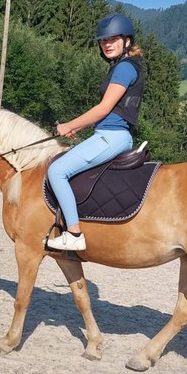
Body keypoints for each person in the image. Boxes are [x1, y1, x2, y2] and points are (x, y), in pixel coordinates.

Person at [46, 13, 147, 251]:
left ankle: (74, 234)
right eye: (103, 41)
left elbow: (103, 108)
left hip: (112, 137)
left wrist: (70, 125)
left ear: (127, 41)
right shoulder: (124, 66)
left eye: (113, 39)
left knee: (57, 171)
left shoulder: (124, 68)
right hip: (108, 135)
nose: (107, 44)